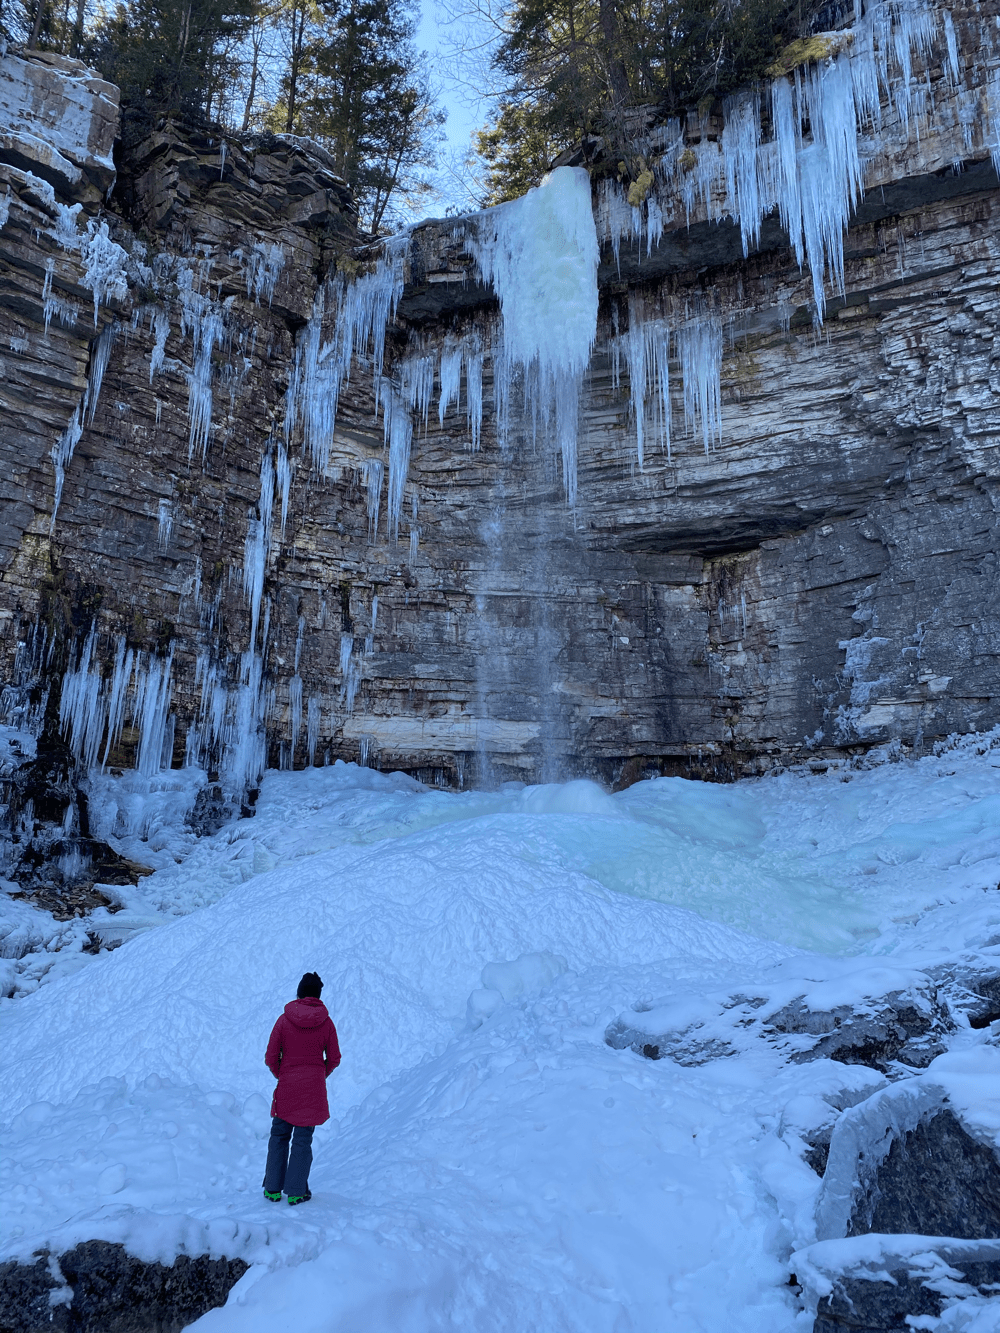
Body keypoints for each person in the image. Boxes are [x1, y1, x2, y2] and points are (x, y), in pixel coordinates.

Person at [262, 971, 341, 1205]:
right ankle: (296, 1192)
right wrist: (318, 1074)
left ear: (299, 992)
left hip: (287, 1086)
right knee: (302, 1139)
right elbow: (334, 1058)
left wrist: (283, 1073)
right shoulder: (326, 1023)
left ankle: (272, 1190)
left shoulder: (284, 1020)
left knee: (279, 1135)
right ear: (318, 995)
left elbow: (270, 1056)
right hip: (313, 1089)